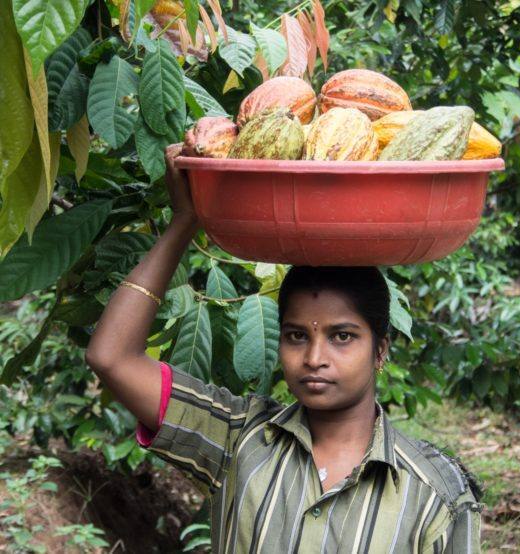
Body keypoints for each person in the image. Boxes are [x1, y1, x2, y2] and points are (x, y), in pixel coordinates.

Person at [85, 145, 483, 553]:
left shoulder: (437, 493)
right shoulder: (238, 437)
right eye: (296, 336)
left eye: (342, 336)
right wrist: (184, 223)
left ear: (380, 350)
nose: (314, 358)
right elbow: (112, 357)